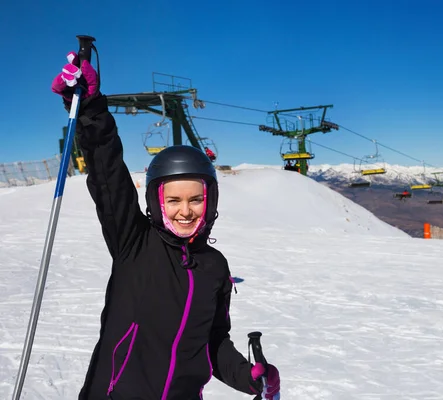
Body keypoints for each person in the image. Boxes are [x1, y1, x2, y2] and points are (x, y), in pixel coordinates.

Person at [51, 52, 280, 399]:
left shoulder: (214, 266)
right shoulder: (134, 243)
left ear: (210, 200)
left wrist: (248, 377)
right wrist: (89, 109)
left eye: (196, 199)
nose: (185, 211)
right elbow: (107, 173)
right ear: (157, 203)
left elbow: (213, 342)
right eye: (173, 201)